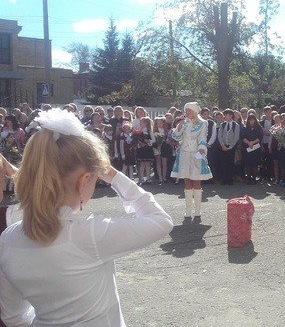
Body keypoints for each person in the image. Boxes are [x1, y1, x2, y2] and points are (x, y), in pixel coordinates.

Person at [0, 108, 173, 326]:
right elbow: (161, 220)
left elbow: (14, 317)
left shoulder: (7, 239)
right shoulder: (89, 234)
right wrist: (114, 176)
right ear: (83, 181)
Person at [171, 102, 213, 220]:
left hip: (196, 155)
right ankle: (188, 210)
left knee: (196, 181)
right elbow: (176, 137)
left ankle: (198, 210)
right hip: (184, 155)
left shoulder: (203, 123)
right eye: (186, 110)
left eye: (188, 110)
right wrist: (178, 127)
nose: (186, 112)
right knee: (187, 181)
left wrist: (201, 150)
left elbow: (202, 137)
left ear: (194, 111)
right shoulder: (183, 124)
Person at [217, 109, 240, 185]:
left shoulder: (235, 125)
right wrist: (222, 145)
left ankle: (230, 180)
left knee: (230, 163)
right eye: (225, 115)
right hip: (223, 146)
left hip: (231, 147)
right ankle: (223, 179)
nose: (225, 116)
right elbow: (219, 135)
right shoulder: (222, 124)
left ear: (231, 116)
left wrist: (230, 147)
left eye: (227, 115)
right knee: (223, 163)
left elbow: (236, 137)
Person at [241, 114, 264, 184]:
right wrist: (248, 142)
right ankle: (248, 178)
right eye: (250, 120)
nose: (251, 121)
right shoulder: (245, 128)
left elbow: (260, 137)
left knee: (254, 164)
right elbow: (243, 137)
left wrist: (252, 142)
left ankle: (254, 178)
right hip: (247, 147)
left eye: (253, 119)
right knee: (248, 164)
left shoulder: (259, 127)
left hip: (256, 148)